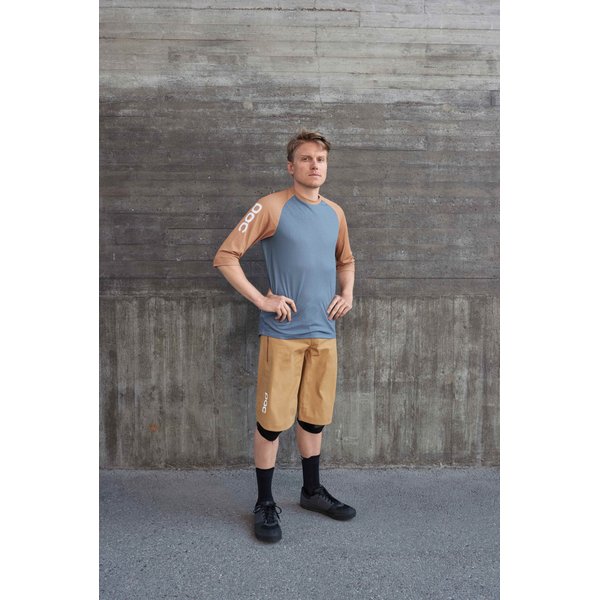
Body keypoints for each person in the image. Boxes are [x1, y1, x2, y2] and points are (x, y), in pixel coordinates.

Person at [212, 129, 356, 543]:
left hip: (323, 333)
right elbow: (226, 256)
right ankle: (264, 503)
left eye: (321, 159)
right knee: (272, 423)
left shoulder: (335, 212)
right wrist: (262, 299)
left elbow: (346, 261)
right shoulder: (272, 206)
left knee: (314, 417)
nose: (315, 165)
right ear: (291, 166)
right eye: (306, 159)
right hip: (283, 334)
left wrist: (347, 293)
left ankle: (311, 491)